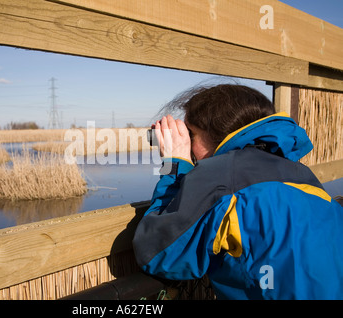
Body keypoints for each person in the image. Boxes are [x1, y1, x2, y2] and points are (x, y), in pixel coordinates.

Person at [132, 84, 343, 299]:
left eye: (191, 134)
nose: (188, 145)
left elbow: (158, 253)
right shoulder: (301, 174)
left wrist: (173, 164)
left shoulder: (222, 175)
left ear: (213, 132)